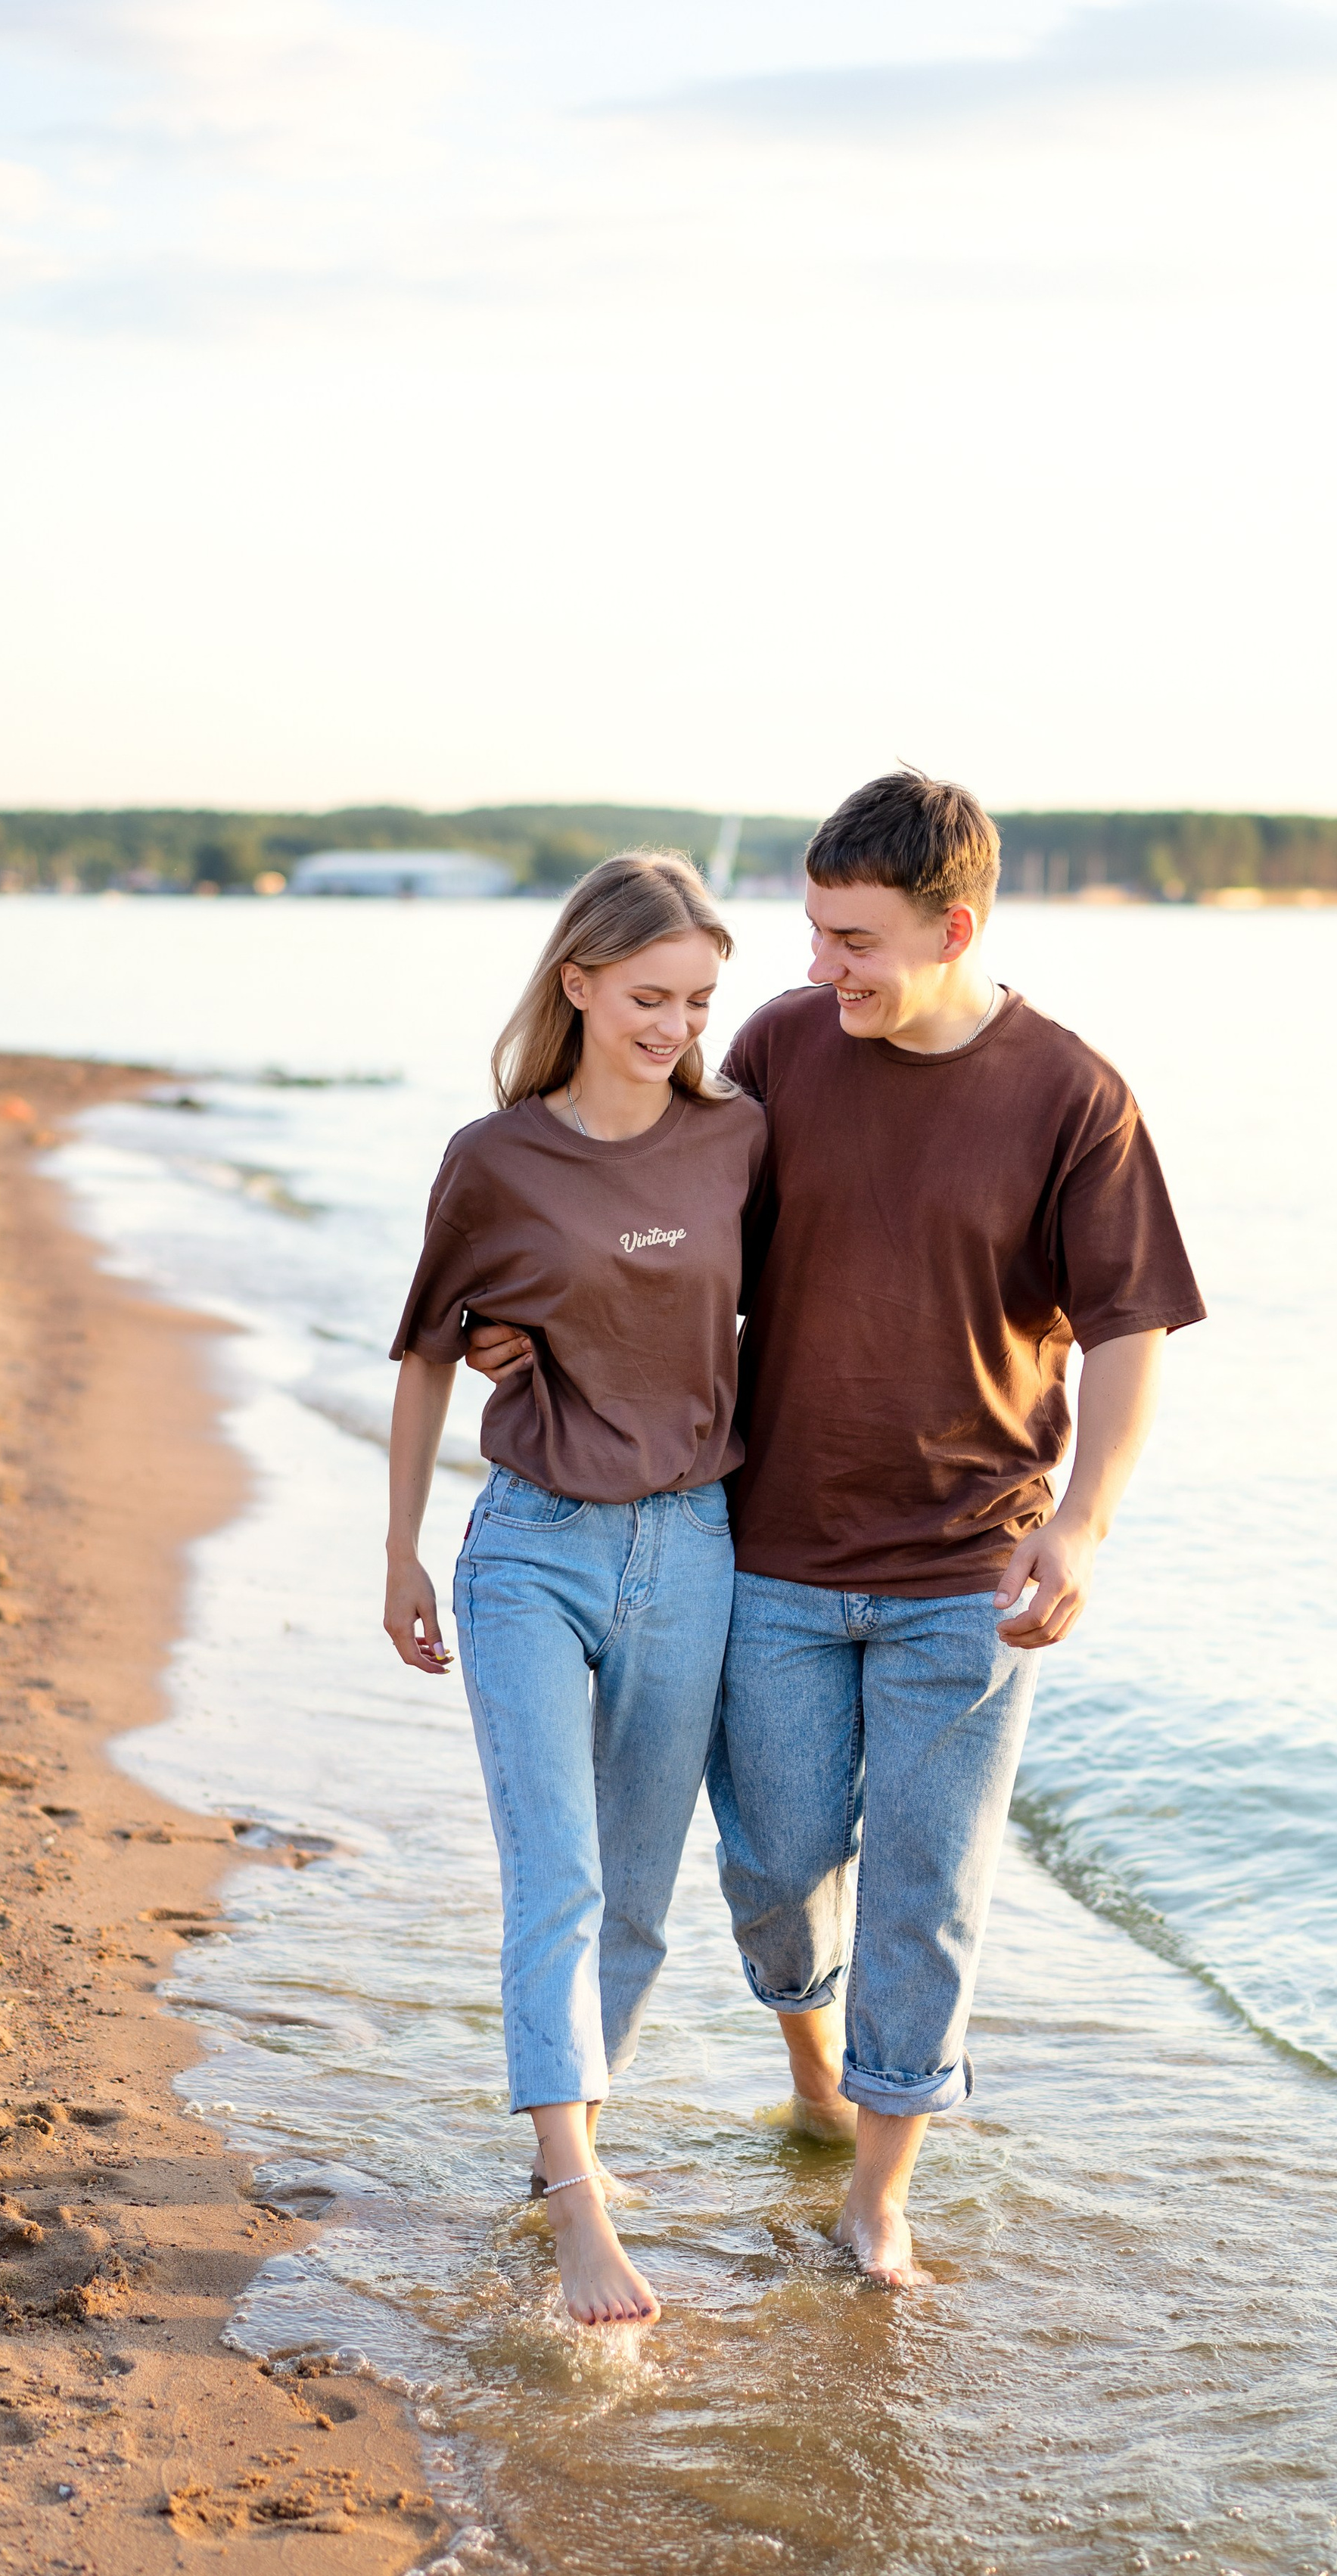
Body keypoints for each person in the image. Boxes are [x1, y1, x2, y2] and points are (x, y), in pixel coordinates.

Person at [470, 771, 1202, 2289]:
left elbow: (1131, 1330)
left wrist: (1083, 1528)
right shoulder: (785, 1049)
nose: (821, 970)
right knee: (774, 1868)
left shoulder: (1071, 1096)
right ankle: (814, 2057)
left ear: (954, 925)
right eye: (812, 932)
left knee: (930, 1892)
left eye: (853, 941)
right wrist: (525, 1329)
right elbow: (658, 1235)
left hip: (965, 1574)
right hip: (772, 1556)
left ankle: (877, 2191)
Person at [384, 854, 763, 2329]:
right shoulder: (494, 1158)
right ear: (579, 983)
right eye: (648, 994)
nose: (671, 1023)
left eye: (697, 1000)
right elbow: (428, 1345)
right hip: (531, 1544)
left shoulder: (738, 1140)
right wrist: (401, 1547)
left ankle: (568, 2141)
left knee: (641, 1905)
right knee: (559, 1877)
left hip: (694, 1545)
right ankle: (572, 2201)